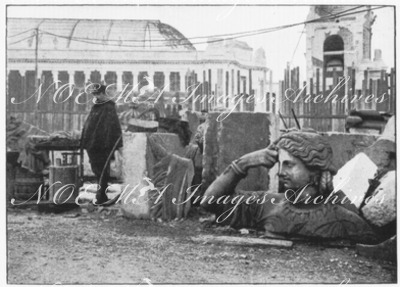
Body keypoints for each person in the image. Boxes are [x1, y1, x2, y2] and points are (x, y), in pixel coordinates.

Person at [201, 129, 378, 243]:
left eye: (289, 165)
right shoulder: (265, 203)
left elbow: (369, 240)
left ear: (313, 169)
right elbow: (210, 202)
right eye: (279, 164)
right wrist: (245, 162)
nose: (280, 172)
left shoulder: (344, 220)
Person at [81, 84, 123, 205]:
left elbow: (113, 127)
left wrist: (113, 144)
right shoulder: (97, 106)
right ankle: (101, 195)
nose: (96, 96)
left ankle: (101, 196)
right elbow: (90, 124)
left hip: (103, 145)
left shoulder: (109, 107)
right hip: (93, 144)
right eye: (94, 94)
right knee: (96, 169)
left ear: (103, 93)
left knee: (103, 170)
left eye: (98, 94)